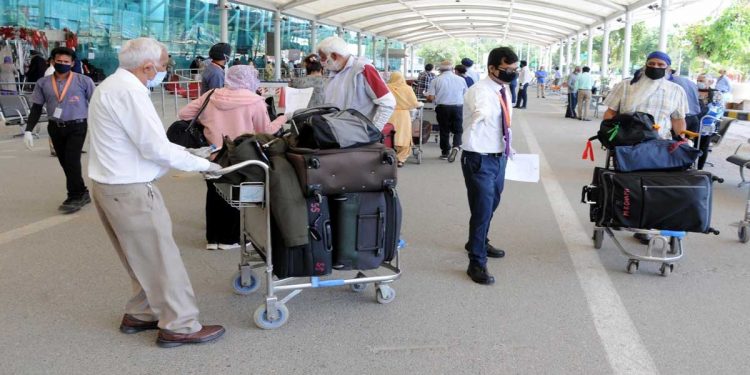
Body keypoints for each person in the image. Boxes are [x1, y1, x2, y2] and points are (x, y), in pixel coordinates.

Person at [87, 37, 225, 347]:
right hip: (130, 190)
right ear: (147, 67)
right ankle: (181, 325)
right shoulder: (130, 93)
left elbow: (142, 142)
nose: (165, 71)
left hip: (110, 186)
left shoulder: (110, 86)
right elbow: (154, 147)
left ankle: (142, 311)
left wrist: (195, 154)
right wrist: (202, 164)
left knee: (140, 257)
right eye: (164, 66)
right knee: (163, 260)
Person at [179, 65, 287, 250]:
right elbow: (265, 131)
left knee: (214, 194)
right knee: (236, 195)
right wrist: (283, 118)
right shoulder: (255, 101)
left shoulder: (211, 95)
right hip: (240, 155)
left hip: (212, 154)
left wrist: (209, 122)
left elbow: (184, 114)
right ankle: (230, 239)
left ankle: (213, 239)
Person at [602, 51, 688, 245]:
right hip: (628, 146)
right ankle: (624, 216)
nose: (656, 67)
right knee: (630, 185)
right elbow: (609, 114)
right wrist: (615, 129)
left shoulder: (676, 90)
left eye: (660, 65)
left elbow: (678, 120)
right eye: (652, 63)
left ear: (668, 68)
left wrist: (682, 139)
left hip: (660, 147)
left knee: (656, 187)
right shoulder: (626, 86)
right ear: (645, 64)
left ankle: (648, 225)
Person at [460, 46, 518, 285]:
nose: (512, 73)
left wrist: (508, 147)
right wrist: (479, 115)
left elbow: (505, 122)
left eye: (515, 69)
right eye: (507, 69)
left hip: (498, 156)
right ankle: (476, 261)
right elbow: (479, 111)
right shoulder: (479, 91)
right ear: (492, 68)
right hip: (478, 157)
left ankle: (479, 241)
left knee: (492, 202)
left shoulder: (503, 90)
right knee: (482, 209)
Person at [22, 47, 96, 213]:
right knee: (65, 163)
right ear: (52, 61)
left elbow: (97, 106)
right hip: (55, 127)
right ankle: (82, 191)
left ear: (72, 63)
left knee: (71, 160)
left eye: (66, 62)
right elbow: (36, 107)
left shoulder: (84, 81)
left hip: (77, 125)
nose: (62, 64)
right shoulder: (43, 83)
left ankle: (75, 195)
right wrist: (28, 130)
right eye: (59, 61)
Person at [315, 36, 395, 131]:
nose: (322, 62)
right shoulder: (333, 72)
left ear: (335, 56)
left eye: (323, 58)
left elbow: (388, 102)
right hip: (336, 133)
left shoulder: (363, 69)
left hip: (358, 136)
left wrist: (373, 131)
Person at [426, 60, 468, 162]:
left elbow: (431, 97)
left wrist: (428, 96)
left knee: (444, 130)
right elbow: (466, 94)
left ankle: (445, 153)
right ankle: (456, 146)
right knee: (458, 130)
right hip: (458, 107)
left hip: (442, 108)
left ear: (440, 70)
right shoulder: (461, 79)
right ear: (452, 69)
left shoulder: (436, 80)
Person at [386, 72, 420, 167]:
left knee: (390, 135)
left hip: (389, 114)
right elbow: (414, 103)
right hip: (403, 115)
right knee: (404, 135)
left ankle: (389, 156)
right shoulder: (408, 88)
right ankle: (401, 159)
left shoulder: (387, 87)